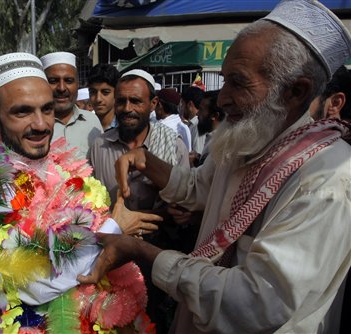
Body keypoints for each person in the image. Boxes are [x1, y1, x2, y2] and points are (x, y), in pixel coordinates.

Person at [79, 1, 351, 333]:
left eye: (238, 82)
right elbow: (197, 188)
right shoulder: (250, 141)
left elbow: (257, 302)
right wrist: (147, 162)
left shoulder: (328, 179)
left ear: (296, 91)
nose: (221, 99)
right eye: (224, 81)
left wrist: (142, 252)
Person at [0, 52, 160, 332]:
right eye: (22, 111)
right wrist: (116, 227)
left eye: (47, 109)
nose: (41, 124)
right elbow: (36, 285)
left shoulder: (70, 171)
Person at [90, 69, 189, 214]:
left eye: (135, 101)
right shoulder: (99, 146)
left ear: (153, 104)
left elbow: (185, 200)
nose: (127, 108)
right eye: (121, 101)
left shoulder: (173, 145)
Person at [40, 51, 103, 158]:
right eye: (53, 81)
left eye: (68, 81)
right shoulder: (35, 125)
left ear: (77, 84)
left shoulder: (92, 121)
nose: (61, 88)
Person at [190, 89, 225, 167]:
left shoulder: (221, 145)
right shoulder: (212, 138)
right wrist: (198, 159)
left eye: (201, 110)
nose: (198, 114)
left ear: (214, 116)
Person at [87, 63, 120, 131]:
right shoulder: (84, 128)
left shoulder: (125, 127)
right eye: (93, 92)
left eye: (105, 92)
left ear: (116, 93)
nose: (98, 99)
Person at [180, 85, 206, 155]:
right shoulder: (191, 124)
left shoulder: (197, 126)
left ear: (190, 104)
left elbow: (197, 155)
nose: (181, 108)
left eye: (182, 104)